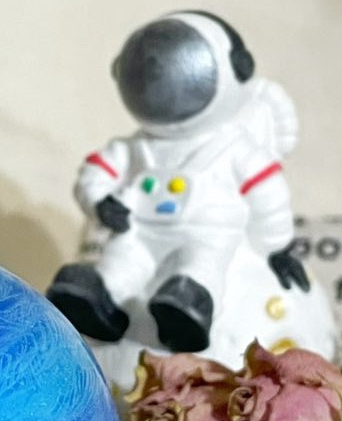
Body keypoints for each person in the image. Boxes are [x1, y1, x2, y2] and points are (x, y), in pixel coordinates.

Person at [47, 10, 309, 352]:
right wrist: (100, 201)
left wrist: (276, 248)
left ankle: (188, 309)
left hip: (207, 233)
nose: (159, 78)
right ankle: (100, 302)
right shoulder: (135, 147)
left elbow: (267, 196)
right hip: (136, 230)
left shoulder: (235, 147)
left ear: (238, 69)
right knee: (120, 264)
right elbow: (96, 173)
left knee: (202, 266)